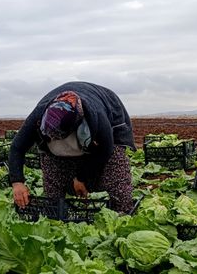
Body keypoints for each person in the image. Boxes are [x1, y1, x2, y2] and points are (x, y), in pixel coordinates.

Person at [8, 82, 136, 213]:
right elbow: (17, 147)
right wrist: (17, 182)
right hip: (57, 138)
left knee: (115, 171)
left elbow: (105, 149)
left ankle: (122, 212)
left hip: (109, 117)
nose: (55, 139)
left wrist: (81, 178)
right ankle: (55, 215)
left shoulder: (97, 116)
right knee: (53, 178)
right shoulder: (38, 115)